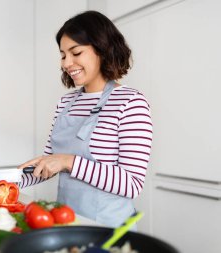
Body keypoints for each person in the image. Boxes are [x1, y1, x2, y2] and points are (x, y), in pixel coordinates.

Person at [18, 10, 153, 228]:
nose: (66, 63)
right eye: (63, 55)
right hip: (67, 223)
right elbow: (50, 162)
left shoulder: (131, 103)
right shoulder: (66, 102)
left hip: (108, 231)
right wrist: (9, 181)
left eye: (76, 52)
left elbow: (132, 183)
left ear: (102, 49)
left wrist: (68, 161)